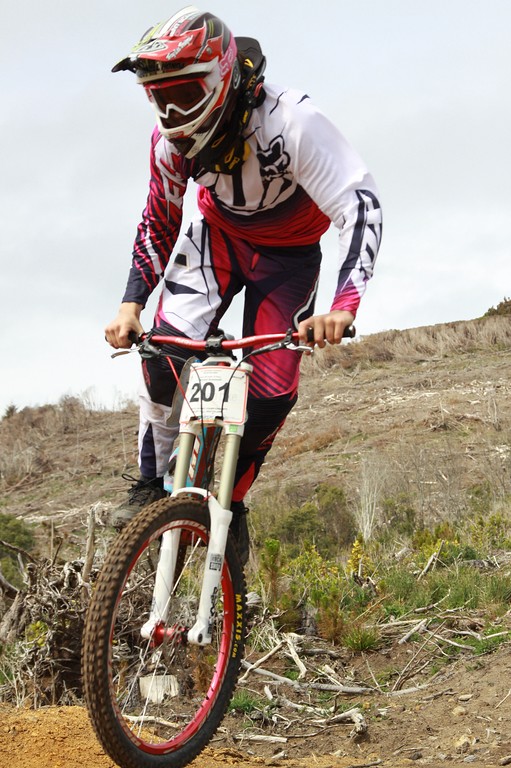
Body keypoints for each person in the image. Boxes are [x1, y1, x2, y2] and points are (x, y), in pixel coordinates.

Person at [105, 6, 382, 561]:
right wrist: (131, 302)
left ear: (223, 76)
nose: (172, 112)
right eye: (158, 97)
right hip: (218, 240)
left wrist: (342, 306)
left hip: (289, 259)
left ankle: (230, 504)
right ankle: (149, 485)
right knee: (160, 353)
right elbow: (160, 217)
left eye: (184, 93)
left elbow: (361, 204)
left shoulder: (292, 122)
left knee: (273, 394)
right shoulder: (169, 143)